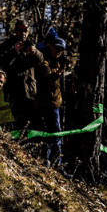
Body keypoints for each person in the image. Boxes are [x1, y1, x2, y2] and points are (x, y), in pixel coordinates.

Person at [0, 19, 43, 130]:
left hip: (28, 93)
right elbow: (2, 62)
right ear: (15, 30)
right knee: (11, 125)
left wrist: (35, 52)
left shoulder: (30, 45)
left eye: (26, 30)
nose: (23, 33)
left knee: (27, 125)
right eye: (20, 30)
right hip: (12, 92)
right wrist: (14, 51)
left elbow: (40, 60)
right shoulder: (6, 45)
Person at [33, 36, 68, 165]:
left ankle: (54, 161)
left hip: (54, 103)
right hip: (46, 103)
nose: (58, 52)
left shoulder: (55, 60)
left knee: (54, 133)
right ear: (50, 46)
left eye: (61, 50)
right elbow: (46, 76)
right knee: (51, 132)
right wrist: (57, 73)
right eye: (56, 48)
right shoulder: (44, 59)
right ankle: (49, 159)